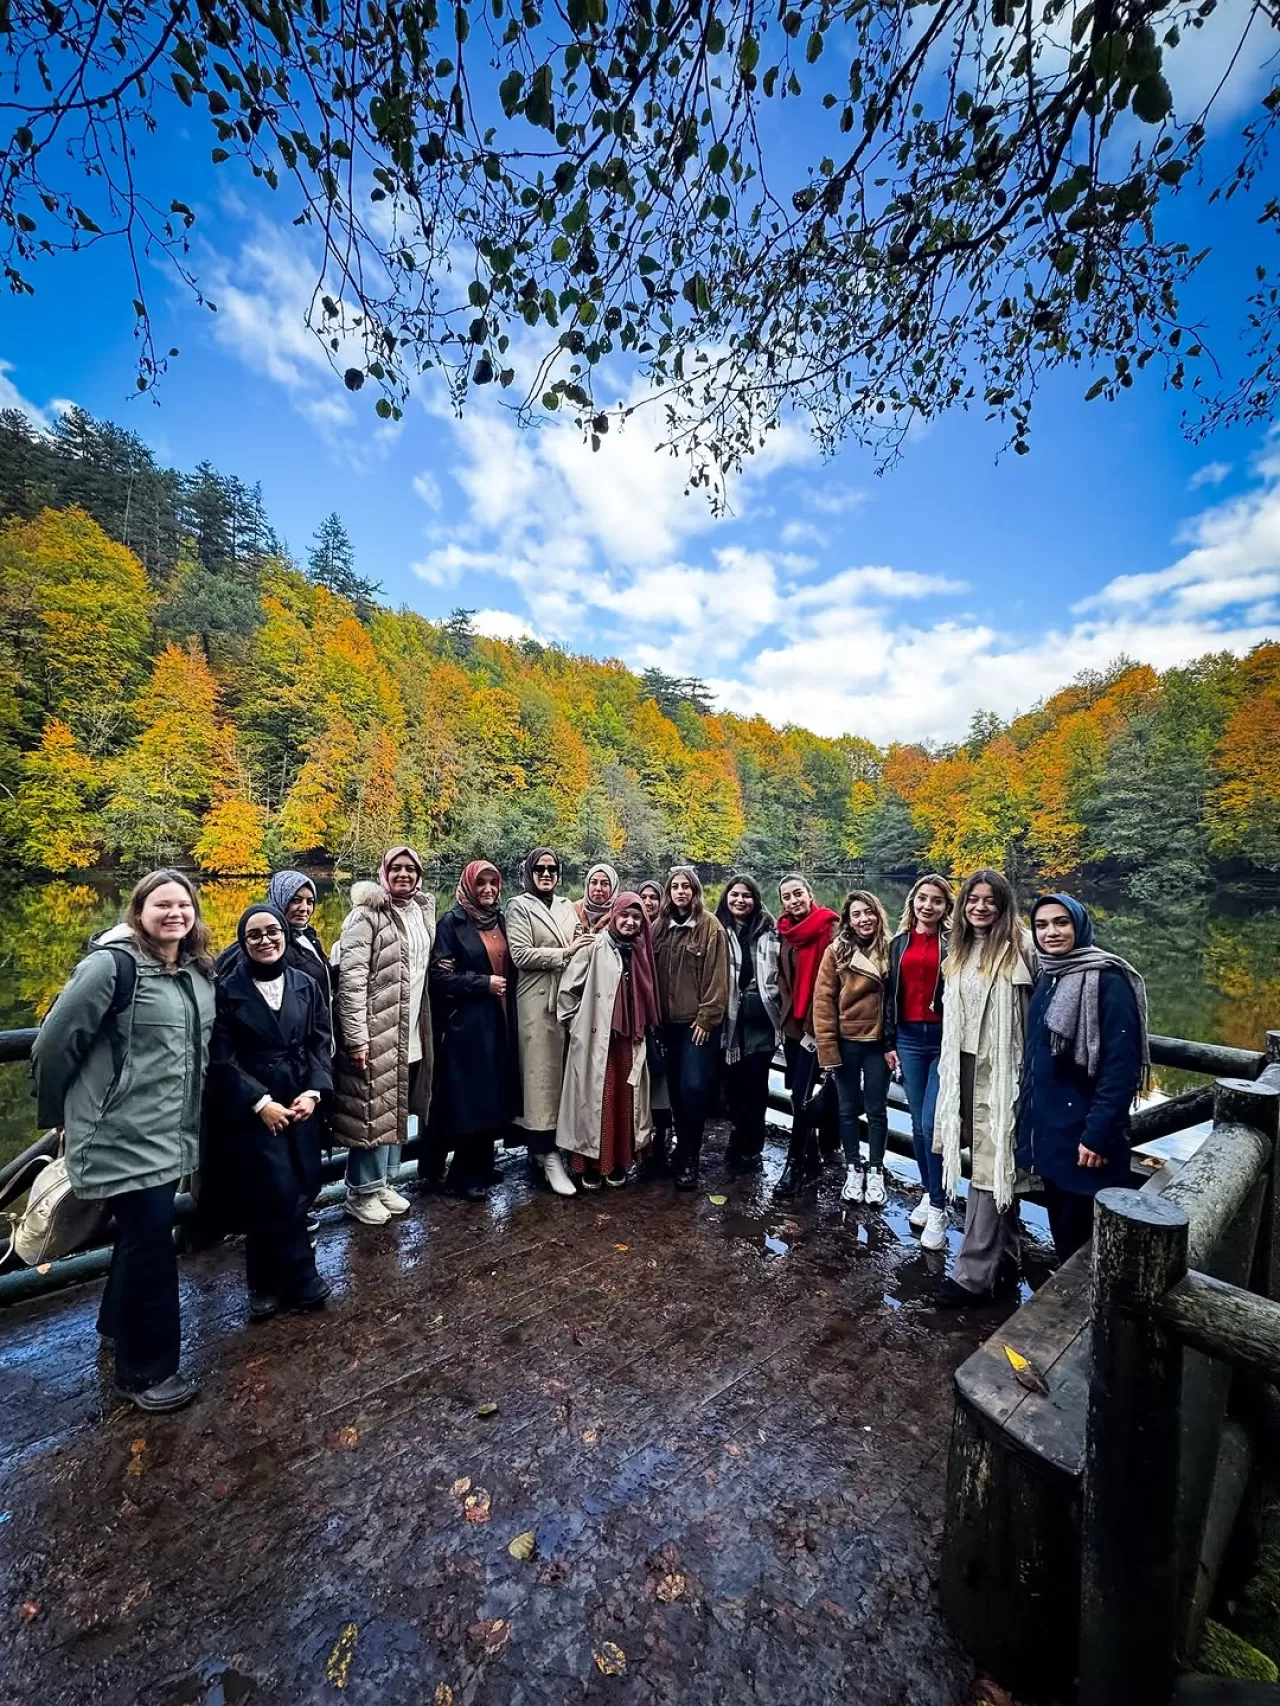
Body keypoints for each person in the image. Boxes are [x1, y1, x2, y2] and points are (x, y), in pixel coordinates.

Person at [31, 870, 215, 1412]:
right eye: (162, 904)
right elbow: (52, 1046)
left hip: (171, 1132)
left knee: (141, 1238)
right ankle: (146, 1372)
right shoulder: (111, 967)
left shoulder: (195, 971)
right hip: (121, 1134)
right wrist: (61, 1119)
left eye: (184, 904)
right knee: (152, 1246)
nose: (175, 913)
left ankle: (116, 1326)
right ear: (139, 911)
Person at [208, 905, 333, 1321]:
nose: (266, 940)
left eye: (273, 931)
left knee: (301, 1181)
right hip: (256, 1104)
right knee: (268, 1192)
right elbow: (220, 1058)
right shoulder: (228, 990)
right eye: (255, 935)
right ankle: (272, 1282)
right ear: (243, 942)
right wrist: (259, 1103)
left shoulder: (305, 983)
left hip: (299, 1097)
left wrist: (314, 1092)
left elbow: (319, 1040)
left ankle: (290, 1279)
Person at [1017, 893, 1148, 1263]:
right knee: (1061, 1224)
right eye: (1041, 925)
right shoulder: (1048, 975)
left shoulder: (1108, 980)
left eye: (1061, 922)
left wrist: (1097, 1134)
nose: (1051, 932)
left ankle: (1094, 1314)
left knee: (1088, 1242)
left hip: (1088, 1135)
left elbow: (1120, 1068)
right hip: (1052, 1130)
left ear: (1079, 924)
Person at [935, 869, 1035, 1308]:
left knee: (993, 1164)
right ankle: (1008, 1252)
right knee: (986, 1157)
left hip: (1004, 1067)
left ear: (1003, 905)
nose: (979, 907)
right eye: (972, 899)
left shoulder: (1022, 948)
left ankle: (972, 1273)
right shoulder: (957, 949)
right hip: (961, 1065)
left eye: (989, 900)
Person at [331, 846, 435, 1226]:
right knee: (370, 1109)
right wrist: (356, 1037)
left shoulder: (422, 911)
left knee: (397, 1105)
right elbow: (352, 981)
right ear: (383, 872)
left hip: (410, 1028)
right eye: (396, 868)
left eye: (411, 869)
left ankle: (384, 1181)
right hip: (377, 1028)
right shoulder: (366, 915)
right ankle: (360, 1191)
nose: (404, 874)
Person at [430, 860, 521, 1200]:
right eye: (481, 883)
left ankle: (482, 1164)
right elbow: (440, 977)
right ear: (468, 885)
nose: (488, 889)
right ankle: (462, 1175)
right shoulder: (451, 923)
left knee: (493, 1093)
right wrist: (482, 983)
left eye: (493, 883)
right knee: (470, 1099)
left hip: (500, 1020)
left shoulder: (499, 920)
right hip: (466, 1024)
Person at [557, 892, 659, 1187]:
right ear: (614, 916)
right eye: (624, 916)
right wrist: (577, 1024)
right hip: (595, 1039)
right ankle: (589, 1164)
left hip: (628, 1039)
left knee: (624, 1100)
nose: (629, 922)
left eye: (636, 917)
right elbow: (567, 992)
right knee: (595, 1101)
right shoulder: (595, 945)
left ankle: (617, 1161)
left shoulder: (641, 949)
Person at [506, 847, 589, 1197]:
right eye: (539, 868)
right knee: (539, 1079)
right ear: (528, 872)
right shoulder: (518, 906)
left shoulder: (567, 907)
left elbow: (582, 942)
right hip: (535, 1001)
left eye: (552, 869)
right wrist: (565, 953)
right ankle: (543, 1150)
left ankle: (558, 1145)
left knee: (563, 1078)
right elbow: (521, 954)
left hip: (568, 1001)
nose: (546, 874)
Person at [883, 874, 953, 1253]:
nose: (928, 906)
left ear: (946, 908)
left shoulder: (955, 944)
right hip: (909, 1038)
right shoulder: (898, 945)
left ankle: (940, 1207)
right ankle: (931, 1192)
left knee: (933, 1123)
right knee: (917, 1124)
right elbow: (888, 997)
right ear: (912, 902)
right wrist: (889, 1041)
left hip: (945, 1040)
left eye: (937, 901)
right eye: (922, 899)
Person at [813, 890, 892, 1206]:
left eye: (869, 912)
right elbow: (823, 1003)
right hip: (846, 1040)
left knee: (876, 1108)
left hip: (878, 1044)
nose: (864, 919)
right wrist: (827, 1049)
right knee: (846, 1109)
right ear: (848, 920)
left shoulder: (891, 948)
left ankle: (875, 1169)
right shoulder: (836, 952)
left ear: (878, 913)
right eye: (857, 914)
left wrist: (894, 1041)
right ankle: (853, 1167)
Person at [653, 867, 729, 1189]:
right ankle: (679, 1148)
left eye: (686, 886)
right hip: (666, 1025)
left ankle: (690, 1157)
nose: (680, 891)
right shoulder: (658, 928)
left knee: (693, 1088)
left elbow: (718, 976)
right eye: (675, 886)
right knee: (675, 1092)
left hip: (696, 1025)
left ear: (695, 891)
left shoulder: (709, 926)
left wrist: (708, 1018)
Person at [774, 874, 839, 1197]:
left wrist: (819, 1024)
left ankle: (793, 1165)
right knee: (796, 1092)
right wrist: (789, 1017)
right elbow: (782, 977)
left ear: (810, 894)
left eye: (798, 893)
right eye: (786, 896)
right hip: (793, 1026)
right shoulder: (784, 931)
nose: (793, 900)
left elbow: (837, 981)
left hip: (820, 1026)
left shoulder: (830, 928)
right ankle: (812, 1154)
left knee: (802, 1095)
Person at [714, 875, 781, 1173]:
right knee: (733, 1086)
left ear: (756, 899)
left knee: (756, 1086)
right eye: (735, 895)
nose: (740, 900)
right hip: (728, 1023)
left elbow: (780, 974)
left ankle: (752, 1145)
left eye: (746, 895)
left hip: (760, 1023)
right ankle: (737, 1136)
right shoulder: (716, 928)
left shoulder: (770, 930)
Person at [637, 880, 673, 1167]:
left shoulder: (665, 930)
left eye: (654, 898)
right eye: (643, 897)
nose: (648, 903)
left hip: (664, 1017)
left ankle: (663, 1136)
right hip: (637, 1018)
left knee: (660, 1079)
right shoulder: (627, 927)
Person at [266, 869, 334, 1010]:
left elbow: (322, 977)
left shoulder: (307, 936)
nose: (304, 908)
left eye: (310, 902)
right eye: (296, 900)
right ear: (280, 898)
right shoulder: (273, 945)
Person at [575, 862, 620, 934]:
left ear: (613, 887)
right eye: (594, 882)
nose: (598, 888)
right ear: (587, 885)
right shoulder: (574, 910)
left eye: (605, 883)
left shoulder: (619, 912)